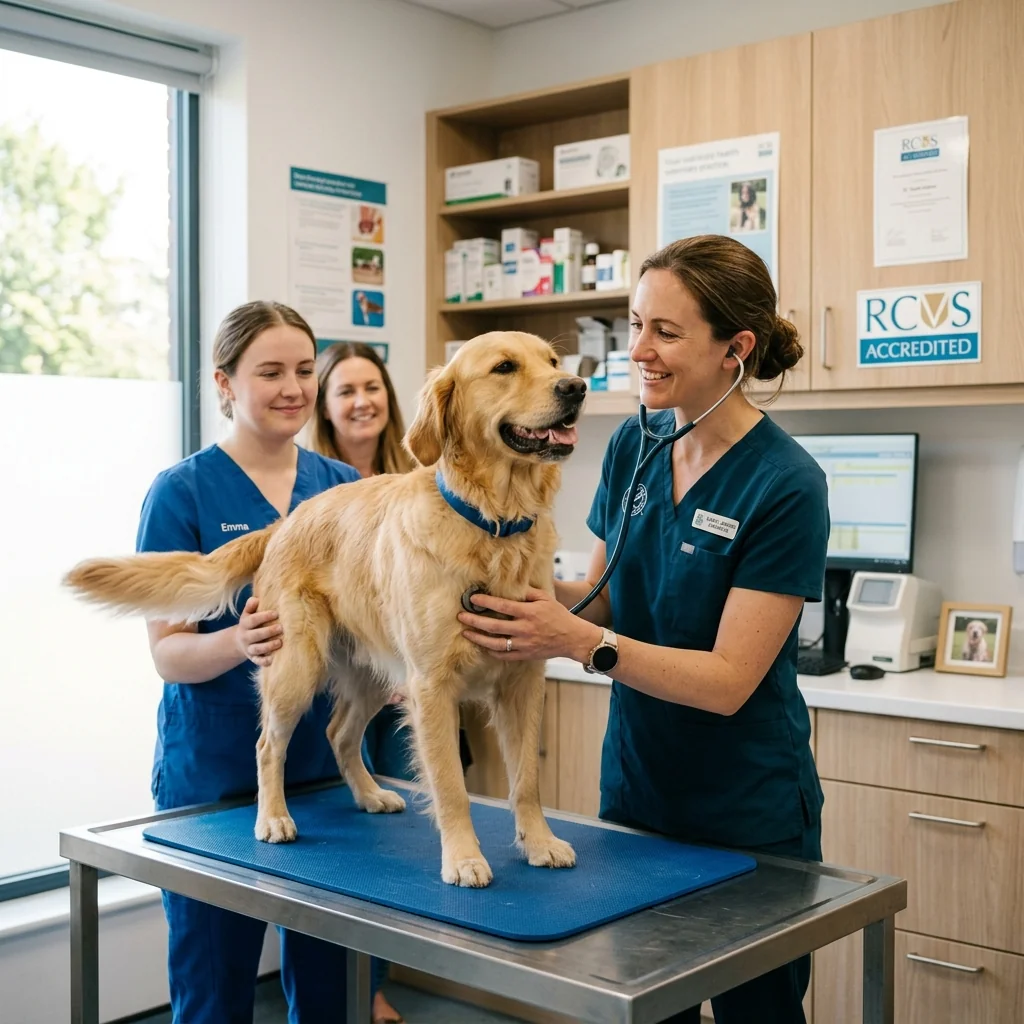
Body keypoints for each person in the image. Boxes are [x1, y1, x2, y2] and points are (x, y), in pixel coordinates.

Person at [458, 234, 829, 1024]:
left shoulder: (787, 482)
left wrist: (574, 640)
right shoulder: (635, 441)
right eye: (635, 325)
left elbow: (730, 681)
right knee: (643, 1008)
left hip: (746, 813)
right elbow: (598, 595)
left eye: (666, 332)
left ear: (737, 348)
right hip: (636, 794)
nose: (639, 352)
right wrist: (504, 587)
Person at [137, 301, 374, 1024]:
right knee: (214, 992)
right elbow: (169, 654)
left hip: (322, 780)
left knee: (334, 994)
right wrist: (237, 643)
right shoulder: (182, 492)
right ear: (225, 383)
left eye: (304, 370)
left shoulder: (341, 487)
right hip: (213, 779)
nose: (293, 388)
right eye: (269, 372)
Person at [304, 341, 415, 1024]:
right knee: (346, 855)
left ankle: (375, 980)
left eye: (372, 386)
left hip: (407, 694)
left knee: (394, 854)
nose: (362, 401)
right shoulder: (319, 489)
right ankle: (358, 990)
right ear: (325, 404)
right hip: (350, 669)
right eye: (345, 390)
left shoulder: (423, 476)